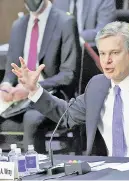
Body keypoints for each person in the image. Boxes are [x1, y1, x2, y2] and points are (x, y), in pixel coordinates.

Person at [11, 21, 129, 157]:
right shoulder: (97, 85)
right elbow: (66, 116)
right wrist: (35, 90)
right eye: (102, 53)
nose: (106, 61)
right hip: (106, 170)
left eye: (114, 53)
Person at [0, 0, 81, 152]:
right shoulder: (18, 25)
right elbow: (10, 71)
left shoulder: (65, 22)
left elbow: (68, 75)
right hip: (18, 97)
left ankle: (32, 170)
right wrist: (5, 86)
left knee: (32, 119)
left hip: (50, 94)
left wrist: (32, 88)